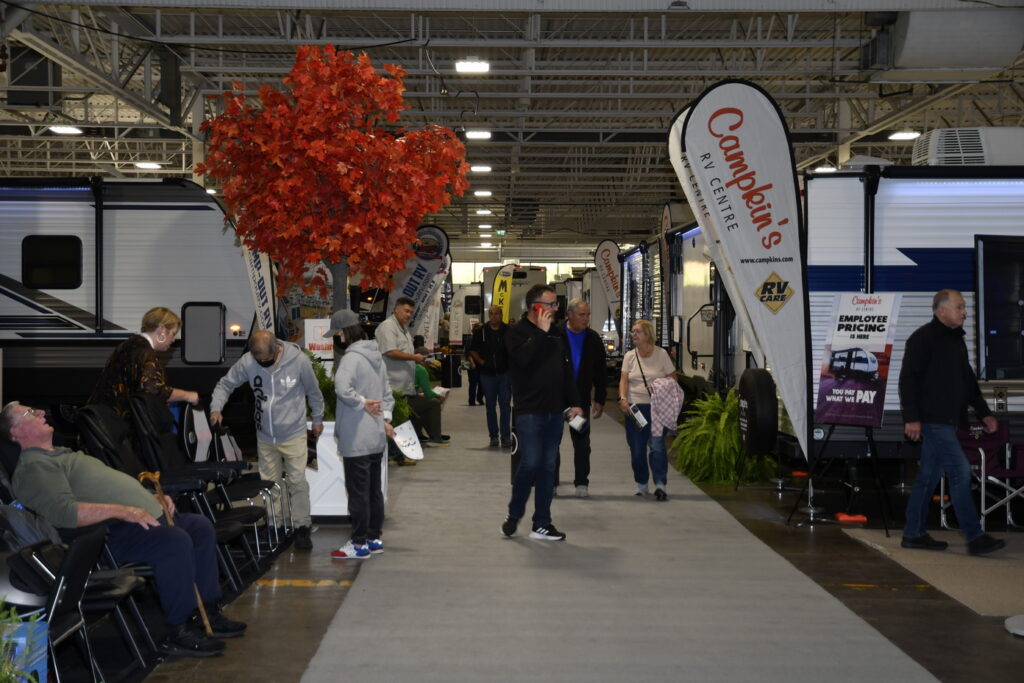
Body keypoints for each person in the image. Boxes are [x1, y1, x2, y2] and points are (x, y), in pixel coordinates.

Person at [1, 401, 246, 658]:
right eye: (30, 412)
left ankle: (207, 610)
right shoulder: (34, 467)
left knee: (200, 526)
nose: (41, 411)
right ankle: (179, 630)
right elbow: (65, 513)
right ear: (15, 433)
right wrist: (123, 510)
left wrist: (153, 497)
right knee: (174, 541)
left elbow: (110, 486)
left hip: (142, 519)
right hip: (110, 535)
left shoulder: (62, 454)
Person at [899, 289, 1005, 556]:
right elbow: (908, 380)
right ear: (942, 310)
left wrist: (985, 413)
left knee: (928, 477)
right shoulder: (922, 338)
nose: (964, 311)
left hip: (949, 421)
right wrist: (911, 417)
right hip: (932, 420)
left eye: (964, 307)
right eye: (959, 307)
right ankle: (975, 536)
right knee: (960, 470)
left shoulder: (956, 341)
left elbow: (968, 382)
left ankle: (913, 533)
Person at [209, 330, 324, 550]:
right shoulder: (247, 362)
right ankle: (275, 524)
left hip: (294, 432)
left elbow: (313, 391)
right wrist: (216, 409)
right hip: (264, 435)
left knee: (297, 480)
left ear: (277, 349)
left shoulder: (298, 361)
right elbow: (225, 384)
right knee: (269, 483)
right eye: (258, 361)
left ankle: (302, 526)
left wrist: (317, 418)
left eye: (266, 360)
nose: (262, 364)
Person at [500, 285, 582, 542]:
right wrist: (540, 334)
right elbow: (522, 362)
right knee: (531, 463)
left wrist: (575, 402)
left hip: (554, 410)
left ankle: (542, 523)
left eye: (556, 304)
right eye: (551, 304)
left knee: (548, 467)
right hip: (529, 411)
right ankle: (514, 514)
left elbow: (566, 371)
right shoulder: (516, 333)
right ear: (535, 306)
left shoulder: (558, 334)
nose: (556, 309)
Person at [329, 309, 394, 560]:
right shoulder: (375, 356)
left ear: (343, 333)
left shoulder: (350, 359)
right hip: (376, 436)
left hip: (356, 436)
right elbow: (387, 394)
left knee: (358, 493)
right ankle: (373, 537)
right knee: (373, 491)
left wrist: (361, 402)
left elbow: (341, 388)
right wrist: (385, 420)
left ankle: (358, 544)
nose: (336, 338)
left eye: (336, 332)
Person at [88, 306, 199, 419]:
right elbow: (153, 390)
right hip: (116, 425)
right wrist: (188, 396)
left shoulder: (129, 344)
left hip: (99, 419)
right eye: (173, 334)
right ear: (162, 330)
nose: (173, 339)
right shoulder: (146, 354)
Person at [375, 297, 448, 447]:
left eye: (411, 312)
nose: (408, 315)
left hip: (406, 388)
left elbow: (405, 354)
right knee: (400, 419)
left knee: (427, 404)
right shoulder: (387, 327)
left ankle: (427, 436)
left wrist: (418, 360)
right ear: (396, 309)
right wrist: (414, 357)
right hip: (392, 388)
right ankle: (400, 449)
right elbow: (390, 352)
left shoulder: (404, 329)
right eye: (406, 311)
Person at [618, 319, 676, 501]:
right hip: (635, 408)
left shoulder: (661, 355)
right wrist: (623, 399)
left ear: (648, 334)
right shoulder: (629, 356)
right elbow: (624, 381)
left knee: (657, 447)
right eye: (633, 331)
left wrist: (660, 387)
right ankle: (641, 484)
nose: (634, 334)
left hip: (657, 408)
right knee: (637, 449)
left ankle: (660, 484)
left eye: (638, 332)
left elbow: (673, 378)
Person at [556, 299, 607, 498]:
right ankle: (551, 482)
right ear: (570, 314)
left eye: (588, 315)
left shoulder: (593, 339)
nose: (586, 319)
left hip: (580, 400)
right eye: (582, 315)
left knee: (582, 443)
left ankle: (581, 483)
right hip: (556, 399)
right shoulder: (556, 334)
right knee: (553, 442)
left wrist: (600, 398)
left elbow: (600, 372)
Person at [470, 305, 512, 448]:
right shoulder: (480, 331)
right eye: (491, 314)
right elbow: (472, 350)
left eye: (496, 314)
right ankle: (493, 436)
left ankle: (506, 437)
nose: (494, 316)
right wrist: (481, 362)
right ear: (489, 315)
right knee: (490, 406)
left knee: (505, 406)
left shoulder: (509, 331)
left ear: (501, 315)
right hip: (487, 375)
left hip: (505, 374)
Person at [465, 320, 485, 406]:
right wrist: (472, 363)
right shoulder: (470, 339)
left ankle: (480, 399)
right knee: (473, 384)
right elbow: (468, 353)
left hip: (482, 365)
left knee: (482, 384)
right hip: (473, 365)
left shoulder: (484, 339)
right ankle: (471, 400)